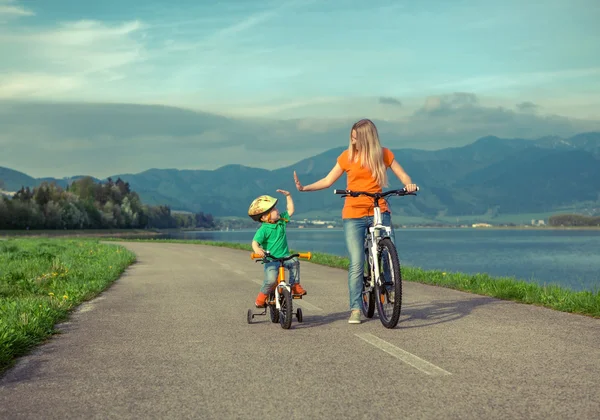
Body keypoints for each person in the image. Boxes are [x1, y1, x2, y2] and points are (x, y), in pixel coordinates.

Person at [293, 118, 417, 324]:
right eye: (351, 137)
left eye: (355, 138)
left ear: (366, 138)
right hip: (353, 214)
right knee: (357, 262)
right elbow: (327, 180)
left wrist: (409, 184)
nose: (352, 141)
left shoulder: (384, 154)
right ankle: (356, 308)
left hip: (379, 210)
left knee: (388, 252)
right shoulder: (347, 157)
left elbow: (403, 175)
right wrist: (304, 188)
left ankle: (391, 288)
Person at [248, 190, 307, 308]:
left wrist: (288, 196)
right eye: (273, 209)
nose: (277, 210)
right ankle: (261, 297)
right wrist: (257, 249)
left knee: (295, 262)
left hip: (285, 256)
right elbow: (255, 242)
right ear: (264, 217)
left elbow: (291, 210)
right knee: (270, 280)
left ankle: (295, 285)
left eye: (275, 208)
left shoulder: (281, 221)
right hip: (271, 260)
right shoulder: (263, 229)